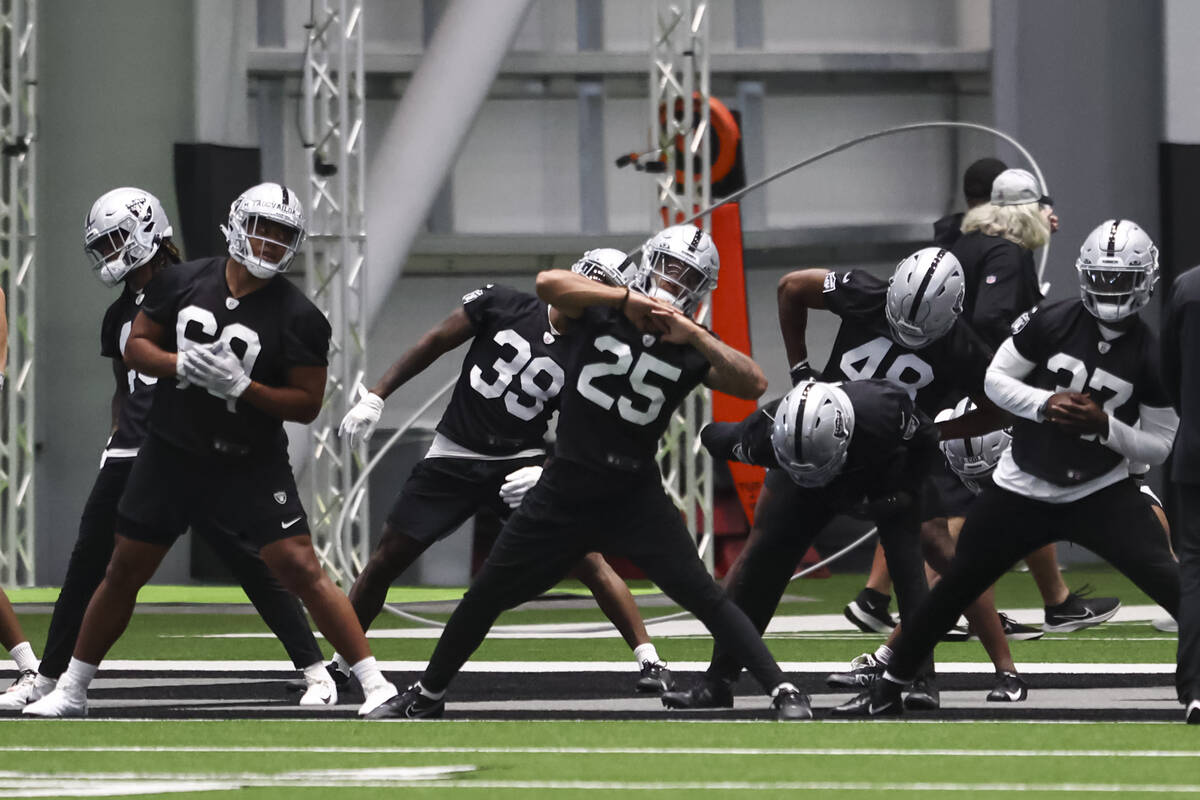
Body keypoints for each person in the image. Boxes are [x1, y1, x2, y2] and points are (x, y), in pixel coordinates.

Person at [367, 223, 810, 721]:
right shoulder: (600, 311)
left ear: (701, 290)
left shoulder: (690, 343)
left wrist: (695, 335)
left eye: (688, 275)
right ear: (648, 265)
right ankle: (428, 694)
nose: (673, 280)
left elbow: (753, 382)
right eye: (667, 266)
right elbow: (547, 284)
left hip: (634, 493)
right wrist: (625, 300)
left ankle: (783, 689)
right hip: (566, 485)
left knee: (704, 595)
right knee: (486, 593)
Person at [23, 182, 397, 718]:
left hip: (248, 457)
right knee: (123, 567)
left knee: (297, 566)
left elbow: (307, 404)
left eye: (282, 235)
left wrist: (246, 389)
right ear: (236, 225)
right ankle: (72, 690)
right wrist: (179, 365)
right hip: (172, 451)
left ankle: (374, 682)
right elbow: (137, 347)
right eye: (262, 229)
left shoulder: (300, 316)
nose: (269, 243)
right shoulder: (180, 281)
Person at [838, 219, 1181, 717]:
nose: (1111, 289)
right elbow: (996, 381)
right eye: (1103, 277)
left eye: (1122, 278)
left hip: (1101, 490)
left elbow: (1160, 447)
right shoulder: (1051, 320)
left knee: (1175, 589)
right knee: (954, 587)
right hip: (1022, 485)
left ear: (1145, 280)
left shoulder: (1152, 351)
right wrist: (1044, 405)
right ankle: (888, 688)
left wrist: (1105, 425)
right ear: (1085, 275)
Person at [333, 247, 673, 694]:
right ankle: (343, 660)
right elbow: (435, 340)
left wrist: (549, 471)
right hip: (455, 450)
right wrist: (378, 394)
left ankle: (650, 661)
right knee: (387, 558)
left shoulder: (595, 352)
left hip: (520, 461)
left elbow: (590, 430)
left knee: (586, 558)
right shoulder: (504, 303)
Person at [848, 167, 1112, 638]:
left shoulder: (960, 239)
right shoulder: (1004, 254)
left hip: (941, 389)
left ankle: (878, 597)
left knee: (937, 497)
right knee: (983, 499)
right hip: (976, 393)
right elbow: (992, 321)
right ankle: (936, 607)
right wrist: (1014, 363)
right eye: (1041, 208)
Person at [660, 376, 942, 711]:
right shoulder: (759, 437)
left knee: (906, 565)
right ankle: (717, 680)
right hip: (801, 487)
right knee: (761, 566)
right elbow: (714, 436)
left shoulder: (884, 409)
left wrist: (904, 492)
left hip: (884, 473)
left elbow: (928, 441)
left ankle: (923, 679)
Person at [1160, 252, 1200, 723]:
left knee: (1194, 570)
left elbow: (1168, 372)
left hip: (1195, 453)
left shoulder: (1188, 288)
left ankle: (1194, 686)